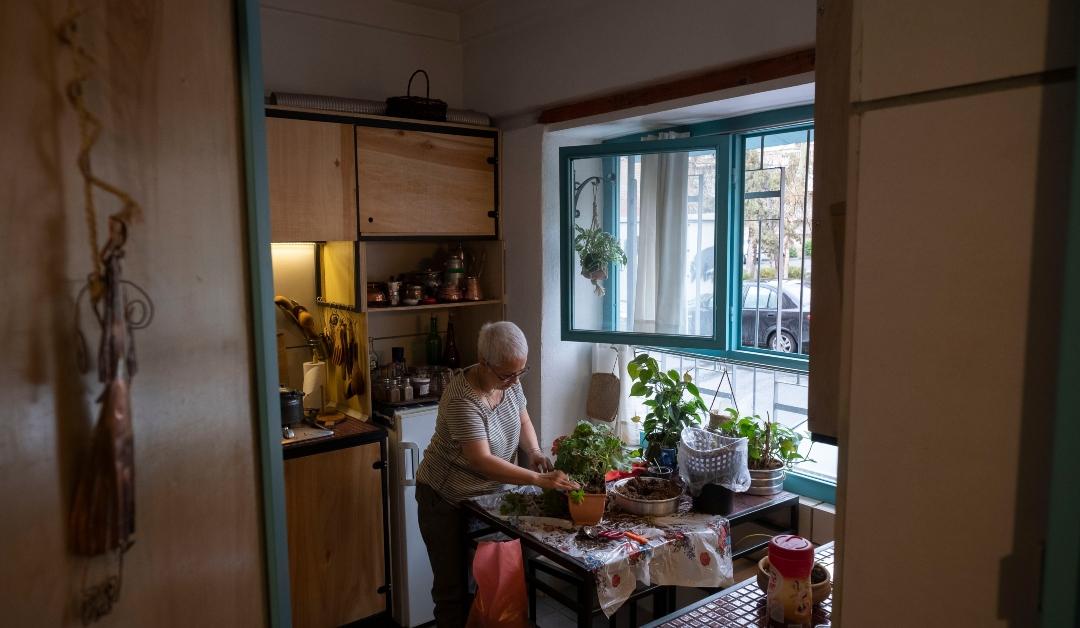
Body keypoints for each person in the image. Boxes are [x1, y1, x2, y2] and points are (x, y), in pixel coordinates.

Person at [415, 321, 577, 628]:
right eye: (506, 374)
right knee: (452, 592)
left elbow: (524, 419)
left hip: (488, 497)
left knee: (494, 579)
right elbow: (482, 460)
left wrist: (536, 452)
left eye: (520, 372)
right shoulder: (463, 397)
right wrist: (538, 479)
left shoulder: (509, 379)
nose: (514, 380)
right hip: (445, 499)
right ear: (483, 361)